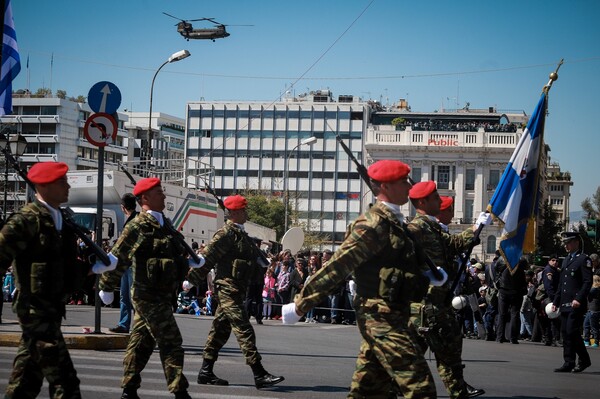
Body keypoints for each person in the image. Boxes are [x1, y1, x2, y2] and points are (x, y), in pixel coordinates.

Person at [282, 159, 445, 399]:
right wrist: (300, 305)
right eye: (403, 182)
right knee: (419, 387)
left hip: (394, 314)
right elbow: (337, 267)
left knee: (369, 389)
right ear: (385, 187)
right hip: (378, 316)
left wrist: (429, 274)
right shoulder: (371, 224)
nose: (409, 187)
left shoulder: (396, 222)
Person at [0, 162, 112, 398]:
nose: (67, 186)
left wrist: (93, 268)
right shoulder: (26, 220)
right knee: (66, 383)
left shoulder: (62, 220)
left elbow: (64, 268)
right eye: (61, 181)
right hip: (35, 313)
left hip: (52, 310)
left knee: (26, 382)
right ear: (44, 186)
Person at [97, 177, 197, 399]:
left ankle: (129, 389)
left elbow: (175, 251)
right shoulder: (137, 225)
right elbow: (119, 255)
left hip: (163, 293)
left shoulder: (166, 224)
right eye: (159, 192)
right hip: (146, 294)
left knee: (141, 341)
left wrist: (192, 261)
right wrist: (107, 286)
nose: (163, 195)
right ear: (145, 198)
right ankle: (180, 391)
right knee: (171, 340)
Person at [187, 194, 284, 389]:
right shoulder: (226, 234)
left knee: (219, 332)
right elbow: (207, 258)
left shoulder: (242, 235)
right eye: (244, 209)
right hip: (227, 289)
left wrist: (268, 260)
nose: (246, 212)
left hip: (238, 289)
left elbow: (255, 260)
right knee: (244, 328)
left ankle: (205, 372)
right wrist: (190, 281)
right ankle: (259, 373)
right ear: (235, 212)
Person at [407, 185, 488, 399]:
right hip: (426, 305)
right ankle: (457, 391)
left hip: (437, 303)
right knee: (447, 351)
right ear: (423, 203)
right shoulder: (416, 229)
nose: (440, 201)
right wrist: (423, 276)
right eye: (435, 198)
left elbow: (453, 244)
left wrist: (477, 227)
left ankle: (457, 389)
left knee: (430, 353)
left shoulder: (432, 228)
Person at [551, 232, 593, 373]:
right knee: (565, 332)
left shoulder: (583, 259)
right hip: (564, 302)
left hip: (576, 303)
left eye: (568, 242)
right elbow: (561, 283)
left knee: (571, 331)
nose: (566, 246)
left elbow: (587, 282)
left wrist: (579, 299)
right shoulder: (566, 259)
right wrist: (556, 301)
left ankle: (584, 359)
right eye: (565, 243)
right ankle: (568, 362)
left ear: (576, 242)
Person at [109, 192, 138, 334]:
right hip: (127, 265)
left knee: (132, 297)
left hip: (132, 265)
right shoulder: (135, 219)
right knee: (125, 296)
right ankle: (124, 324)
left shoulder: (134, 220)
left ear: (122, 207)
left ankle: (135, 326)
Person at [495, 256, 527, 344]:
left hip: (504, 290)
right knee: (515, 314)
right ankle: (513, 338)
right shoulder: (521, 259)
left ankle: (500, 337)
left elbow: (495, 268)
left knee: (502, 314)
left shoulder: (502, 258)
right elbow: (525, 268)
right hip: (516, 290)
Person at [540, 255, 561, 346]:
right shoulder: (549, 270)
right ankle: (554, 339)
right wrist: (555, 300)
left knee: (549, 319)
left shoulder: (555, 270)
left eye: (556, 260)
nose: (555, 262)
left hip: (552, 297)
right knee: (554, 318)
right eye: (553, 260)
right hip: (549, 298)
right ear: (549, 261)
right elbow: (549, 287)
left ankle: (548, 338)